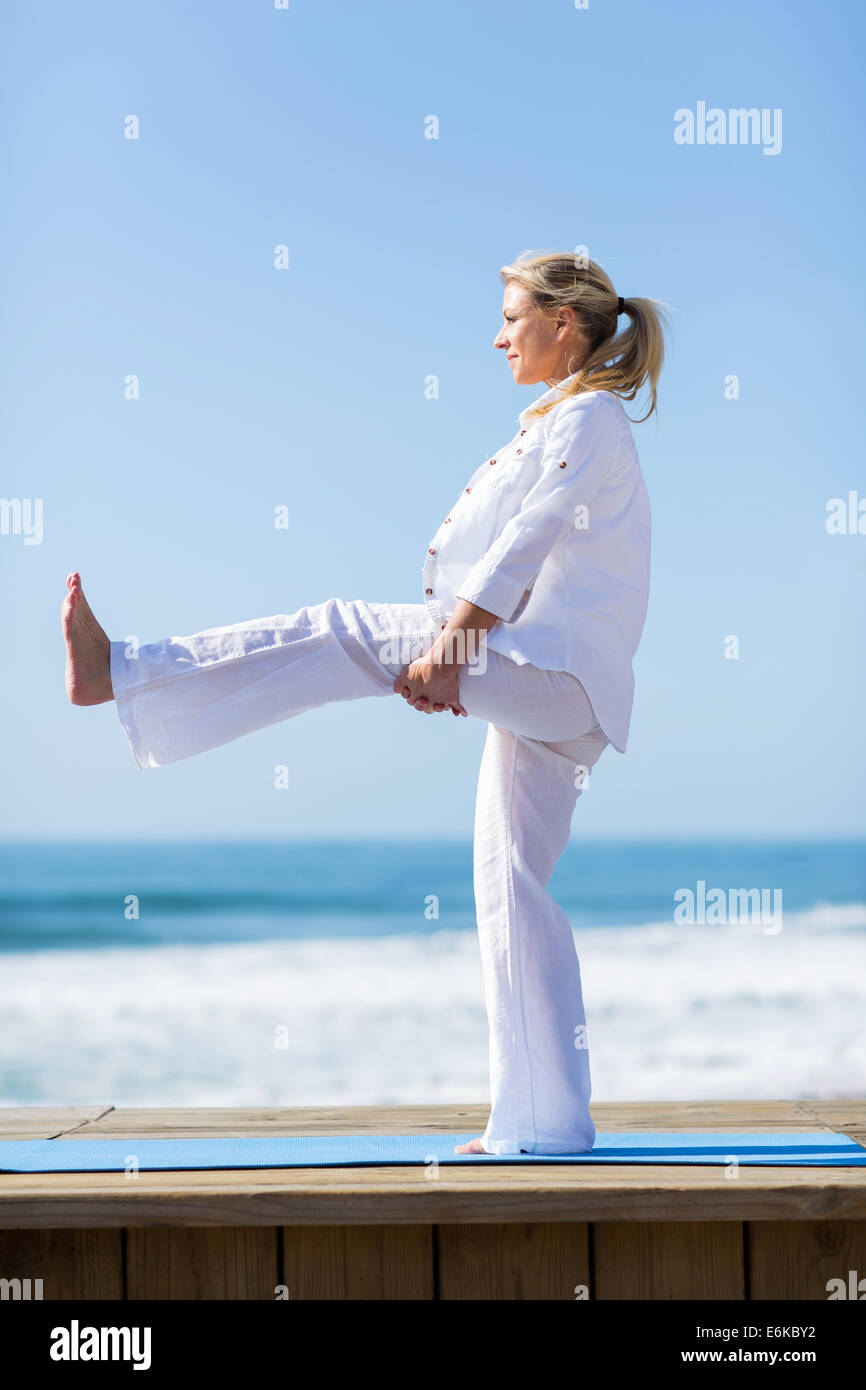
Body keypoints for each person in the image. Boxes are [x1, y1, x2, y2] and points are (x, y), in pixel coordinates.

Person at [62, 249, 667, 1156]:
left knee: (339, 626)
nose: (497, 335)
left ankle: (126, 672)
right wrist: (460, 653)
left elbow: (528, 544)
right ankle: (543, 1128)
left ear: (563, 324)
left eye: (512, 317)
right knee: (509, 889)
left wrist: (450, 650)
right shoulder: (559, 420)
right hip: (544, 674)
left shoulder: (591, 421)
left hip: (554, 671)